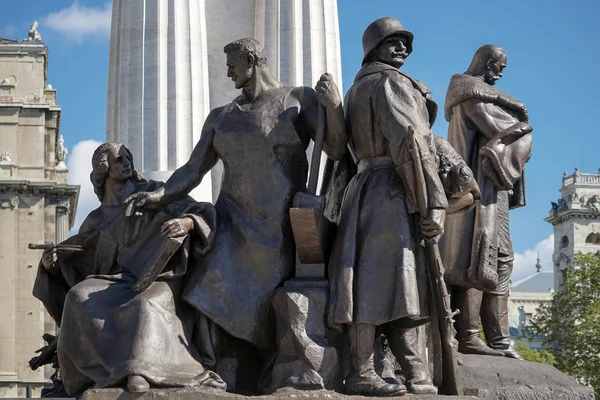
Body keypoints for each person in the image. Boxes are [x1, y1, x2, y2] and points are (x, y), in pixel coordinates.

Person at [123, 38, 347, 390]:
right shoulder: (221, 118)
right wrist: (157, 196)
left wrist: (333, 107)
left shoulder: (297, 99)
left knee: (259, 296)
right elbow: (192, 170)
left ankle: (254, 367)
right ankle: (211, 367)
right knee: (202, 283)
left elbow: (335, 147)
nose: (228, 72)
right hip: (230, 222)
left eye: (233, 64)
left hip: (277, 226)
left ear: (252, 59)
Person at [33, 143, 224, 396]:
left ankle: (141, 371)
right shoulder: (96, 218)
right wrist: (54, 264)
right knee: (78, 297)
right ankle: (94, 375)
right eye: (119, 160)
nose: (127, 163)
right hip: (115, 280)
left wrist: (187, 223)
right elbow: (82, 261)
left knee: (144, 303)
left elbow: (202, 211)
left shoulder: (155, 192)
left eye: (128, 158)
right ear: (104, 170)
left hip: (160, 275)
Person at [326, 17, 447, 396]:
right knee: (391, 280)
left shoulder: (356, 89)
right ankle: (376, 371)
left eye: (405, 43)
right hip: (393, 189)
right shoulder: (392, 82)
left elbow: (337, 149)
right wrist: (434, 203)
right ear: (372, 48)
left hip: (362, 191)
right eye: (393, 42)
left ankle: (411, 369)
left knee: (379, 280)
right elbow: (412, 144)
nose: (403, 49)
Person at [440, 44, 533, 359]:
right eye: (500, 66)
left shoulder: (473, 96)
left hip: (493, 190)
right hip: (480, 191)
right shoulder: (470, 96)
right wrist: (521, 126)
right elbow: (498, 130)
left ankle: (499, 339)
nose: (503, 72)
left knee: (500, 260)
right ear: (488, 63)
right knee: (478, 258)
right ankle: (469, 336)